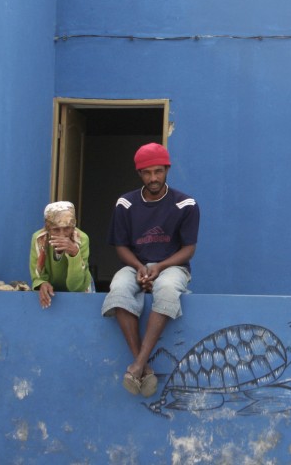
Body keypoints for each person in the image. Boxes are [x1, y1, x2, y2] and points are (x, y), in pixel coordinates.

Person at [101, 142, 200, 398]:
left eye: (158, 171)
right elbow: (120, 246)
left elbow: (189, 249)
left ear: (167, 169)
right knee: (119, 288)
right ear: (139, 174)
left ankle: (136, 365)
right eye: (147, 172)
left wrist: (159, 267)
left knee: (167, 289)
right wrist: (138, 268)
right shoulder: (125, 203)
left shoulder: (185, 203)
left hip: (172, 266)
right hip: (134, 264)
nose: (153, 178)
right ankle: (143, 367)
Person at [29, 201, 93, 309]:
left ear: (73, 226)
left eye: (67, 228)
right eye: (56, 230)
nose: (62, 235)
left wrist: (75, 254)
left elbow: (76, 287)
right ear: (47, 228)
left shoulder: (82, 239)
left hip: (81, 291)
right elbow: (38, 276)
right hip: (53, 294)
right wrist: (42, 283)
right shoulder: (39, 239)